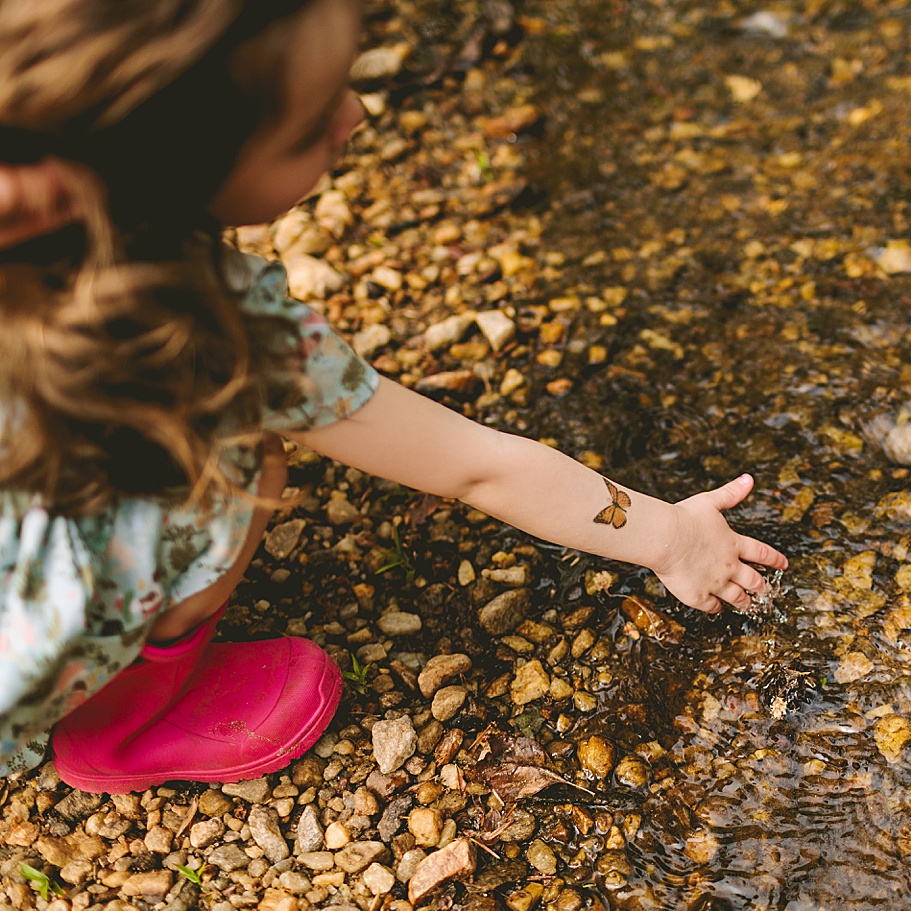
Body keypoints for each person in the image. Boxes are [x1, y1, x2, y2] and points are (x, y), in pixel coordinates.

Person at [0, 0, 787, 793]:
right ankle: (119, 724)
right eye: (309, 126)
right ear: (166, 176)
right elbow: (478, 467)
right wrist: (673, 539)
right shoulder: (219, 335)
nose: (358, 112)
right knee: (243, 455)